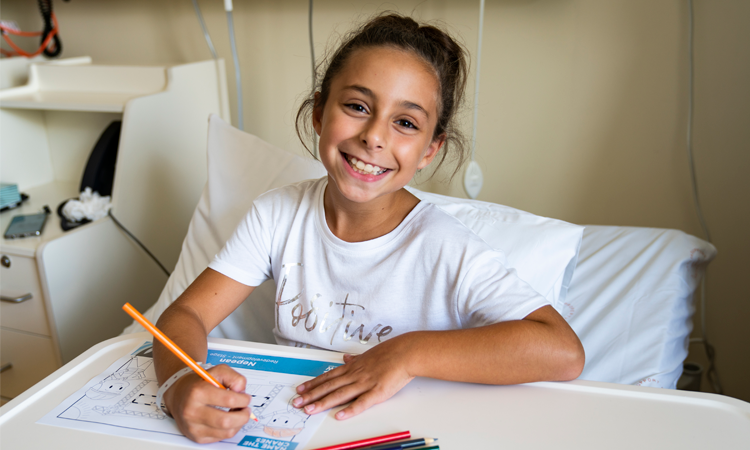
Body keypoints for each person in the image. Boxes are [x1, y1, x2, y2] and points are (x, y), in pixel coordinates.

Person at [153, 12, 585, 444]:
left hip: (403, 432)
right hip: (291, 424)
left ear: (429, 150)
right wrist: (178, 387)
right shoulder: (276, 215)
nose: (374, 137)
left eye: (406, 123)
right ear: (320, 113)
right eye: (358, 107)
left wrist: (408, 353)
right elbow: (185, 314)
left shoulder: (443, 246)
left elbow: (561, 351)